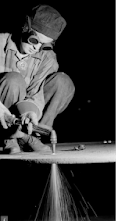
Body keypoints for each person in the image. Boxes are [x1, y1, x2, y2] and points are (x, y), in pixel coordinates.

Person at [0, 5, 75, 154]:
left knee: (63, 82)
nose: (37, 48)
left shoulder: (48, 58)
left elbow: (36, 93)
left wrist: (29, 112)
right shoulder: (1, 42)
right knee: (14, 79)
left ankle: (31, 134)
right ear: (25, 28)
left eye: (44, 45)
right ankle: (8, 136)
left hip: (21, 112)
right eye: (34, 40)